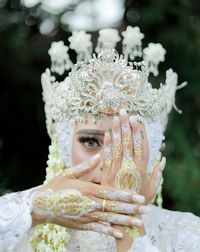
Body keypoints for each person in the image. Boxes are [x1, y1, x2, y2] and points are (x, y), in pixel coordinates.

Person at [0, 26, 200, 252]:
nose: (108, 164)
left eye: (126, 143)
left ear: (151, 150)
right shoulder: (23, 228)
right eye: (91, 142)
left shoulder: (188, 234)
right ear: (65, 146)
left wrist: (128, 225)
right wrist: (33, 207)